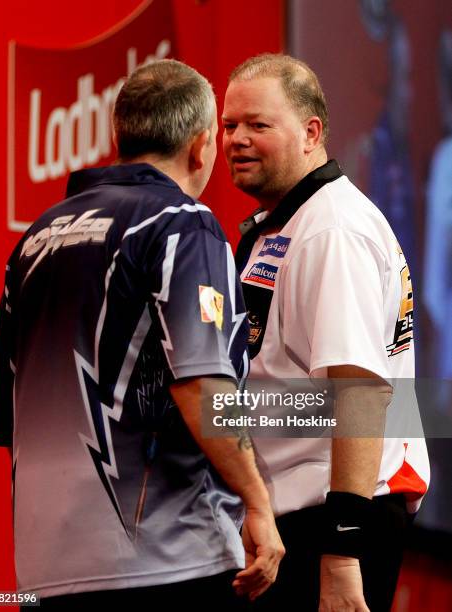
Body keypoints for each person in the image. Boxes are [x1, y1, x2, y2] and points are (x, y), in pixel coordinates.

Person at [0, 59, 284, 610]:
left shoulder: (32, 241)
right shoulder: (183, 224)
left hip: (40, 571)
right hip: (166, 563)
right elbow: (203, 387)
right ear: (200, 147)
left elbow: (5, 419)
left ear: (117, 136)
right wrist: (258, 503)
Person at [222, 53, 429, 611]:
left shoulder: (332, 230)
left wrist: (342, 554)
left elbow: (360, 391)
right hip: (300, 518)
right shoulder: (287, 223)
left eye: (257, 125)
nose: (237, 139)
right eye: (229, 125)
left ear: (311, 132)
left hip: (335, 521)